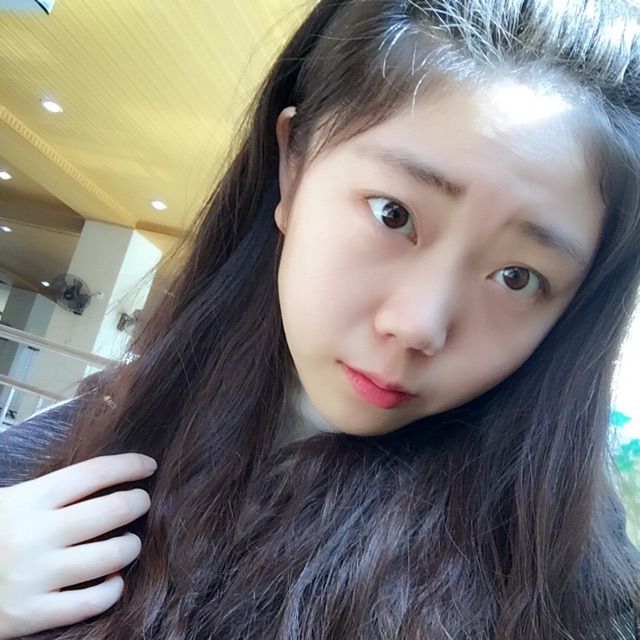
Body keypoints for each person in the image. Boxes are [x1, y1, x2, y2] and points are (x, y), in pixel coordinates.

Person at [0, 0, 639, 637]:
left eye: (517, 277)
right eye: (393, 214)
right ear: (294, 166)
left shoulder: (562, 592)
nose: (418, 325)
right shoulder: (88, 434)